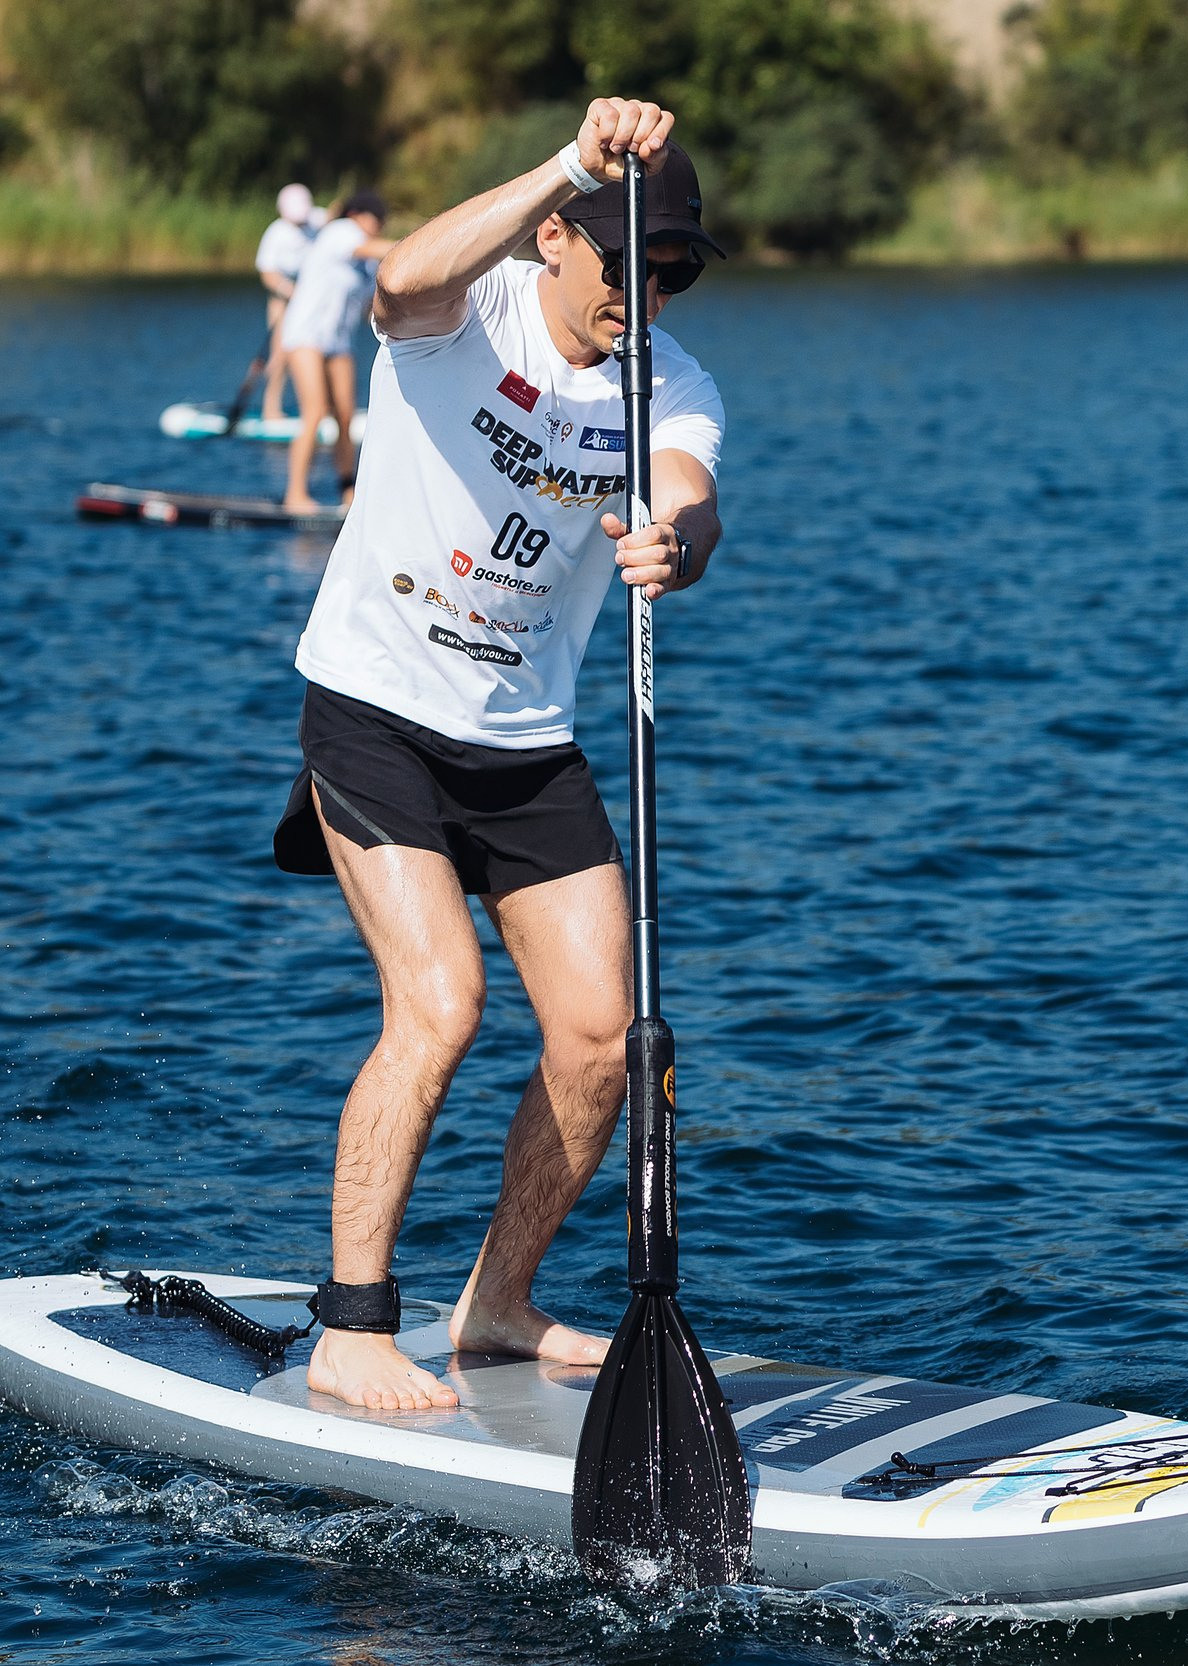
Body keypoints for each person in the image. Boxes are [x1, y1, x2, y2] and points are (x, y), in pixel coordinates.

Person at [270, 98, 724, 1410]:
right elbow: (401, 275)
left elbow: (694, 492)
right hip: (376, 707)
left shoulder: (669, 381)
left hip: (524, 745)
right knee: (442, 1005)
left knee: (602, 1038)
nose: (649, 294)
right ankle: (353, 1325)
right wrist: (569, 164)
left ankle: (496, 1304)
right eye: (630, 264)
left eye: (676, 270)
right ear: (558, 239)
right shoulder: (475, 315)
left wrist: (676, 547)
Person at [278, 191, 396, 513]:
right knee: (315, 412)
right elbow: (369, 247)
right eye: (377, 221)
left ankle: (348, 493)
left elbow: (371, 307)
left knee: (345, 415)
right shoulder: (341, 231)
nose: (379, 228)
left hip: (338, 341)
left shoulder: (369, 262)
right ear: (360, 215)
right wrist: (415, 248)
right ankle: (295, 495)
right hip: (305, 335)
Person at [248, 183, 320, 426]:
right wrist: (290, 291)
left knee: (317, 351)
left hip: (312, 300)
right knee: (280, 354)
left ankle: (318, 407)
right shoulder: (276, 232)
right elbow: (267, 274)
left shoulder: (316, 220)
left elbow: (334, 215)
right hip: (283, 301)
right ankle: (271, 409)